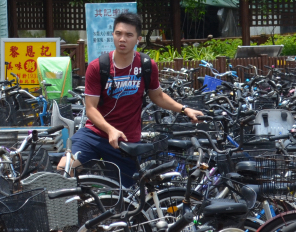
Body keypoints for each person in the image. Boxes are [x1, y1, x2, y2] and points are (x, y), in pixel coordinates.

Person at [58, 12, 203, 185]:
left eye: (129, 35)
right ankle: (76, 208)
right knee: (64, 169)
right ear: (112, 35)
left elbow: (157, 96)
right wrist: (110, 129)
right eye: (118, 33)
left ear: (138, 39)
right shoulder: (98, 66)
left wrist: (184, 109)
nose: (122, 39)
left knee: (126, 196)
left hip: (126, 140)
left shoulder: (146, 65)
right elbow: (90, 108)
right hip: (95, 134)